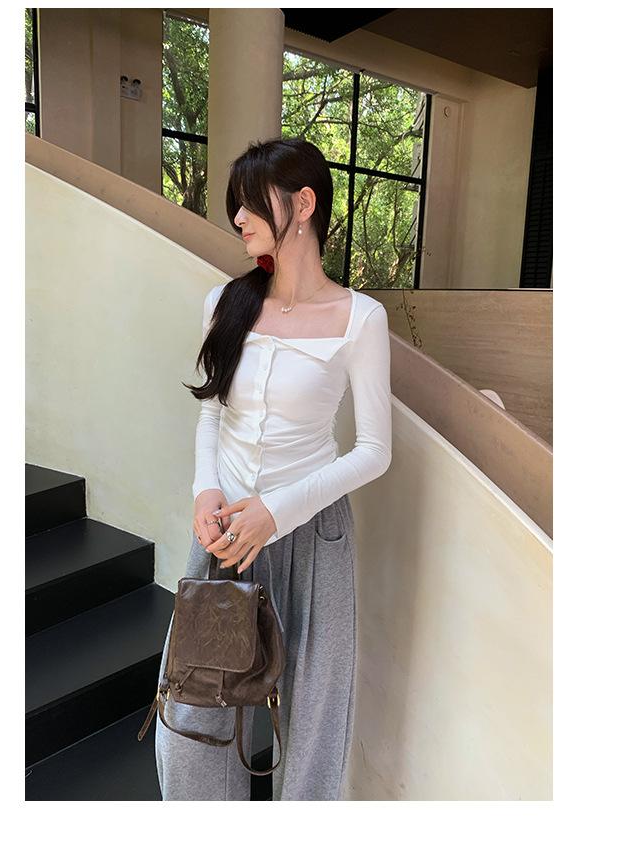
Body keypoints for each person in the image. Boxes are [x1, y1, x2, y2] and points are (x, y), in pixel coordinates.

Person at [154, 136, 392, 800]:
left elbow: (375, 450)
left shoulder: (360, 319)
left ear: (304, 204)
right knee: (193, 712)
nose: (238, 218)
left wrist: (278, 511)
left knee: (314, 721)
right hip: (227, 533)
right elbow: (212, 412)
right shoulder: (225, 302)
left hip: (312, 535)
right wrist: (206, 491)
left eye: (250, 202)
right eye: (235, 205)